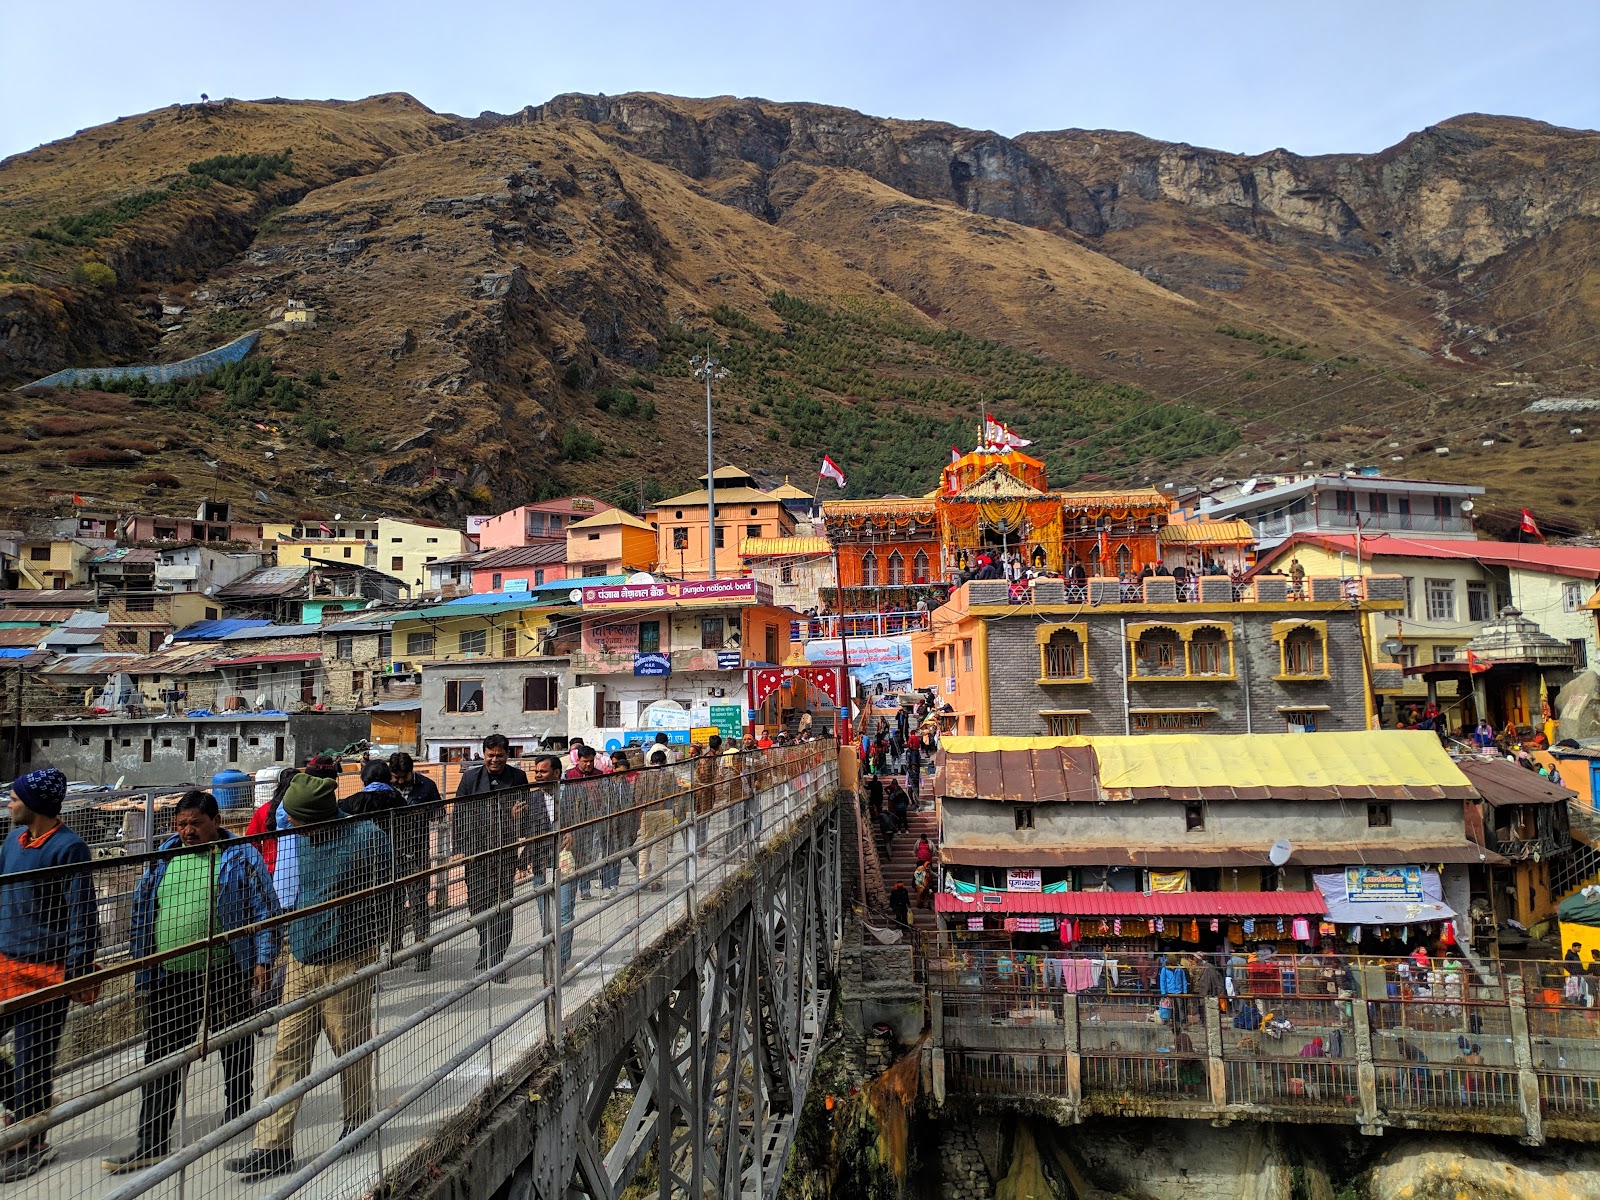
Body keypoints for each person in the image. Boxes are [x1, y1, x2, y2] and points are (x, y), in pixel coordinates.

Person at [225, 773, 392, 1181]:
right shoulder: (298, 835)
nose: (291, 827)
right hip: (301, 956)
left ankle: (357, 1122)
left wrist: (364, 942)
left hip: (347, 958)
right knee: (287, 1050)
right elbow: (289, 888)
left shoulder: (368, 837)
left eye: (296, 821)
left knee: (349, 1047)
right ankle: (272, 1147)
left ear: (318, 817)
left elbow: (386, 894)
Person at [108, 791, 280, 1173]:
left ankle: (237, 1110)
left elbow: (265, 909)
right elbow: (142, 908)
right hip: (171, 974)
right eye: (181, 824)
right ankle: (150, 1141)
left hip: (226, 968)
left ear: (216, 821)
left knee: (234, 1043)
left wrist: (263, 959)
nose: (187, 831)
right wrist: (141, 964)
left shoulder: (241, 855)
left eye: (195, 824)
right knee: (162, 1057)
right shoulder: (163, 858)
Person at [0, 768, 100, 1181]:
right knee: (26, 1068)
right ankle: (23, 1106)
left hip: (45, 971)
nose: (9, 803)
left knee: (34, 1057)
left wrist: (77, 969)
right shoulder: (11, 841)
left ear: (35, 804)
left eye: (14, 797)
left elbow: (83, 914)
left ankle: (32, 1137)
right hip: (5, 963)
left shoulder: (68, 848)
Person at [453, 734, 529, 973]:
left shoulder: (518, 777)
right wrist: (459, 849)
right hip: (476, 851)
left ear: (508, 755)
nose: (495, 760)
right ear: (483, 754)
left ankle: (496, 960)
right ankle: (486, 947)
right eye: (491, 755)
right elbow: (459, 814)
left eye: (500, 755)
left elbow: (527, 815)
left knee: (502, 905)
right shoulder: (470, 778)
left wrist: (519, 817)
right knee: (476, 903)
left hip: (504, 852)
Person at [388, 753, 444, 970]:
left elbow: (439, 812)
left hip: (417, 853)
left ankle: (423, 954)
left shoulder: (426, 786)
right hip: (391, 853)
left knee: (419, 903)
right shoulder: (384, 787)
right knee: (393, 904)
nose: (400, 781)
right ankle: (394, 951)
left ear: (412, 771)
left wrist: (425, 813)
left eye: (404, 777)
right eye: (396, 777)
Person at [564, 744, 610, 892]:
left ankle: (585, 888)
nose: (588, 764)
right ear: (578, 760)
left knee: (589, 855)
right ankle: (573, 887)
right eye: (585, 761)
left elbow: (605, 796)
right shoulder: (569, 775)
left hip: (593, 821)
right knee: (575, 855)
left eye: (591, 761)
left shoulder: (599, 775)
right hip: (574, 822)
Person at [557, 834, 579, 969]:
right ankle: (550, 960)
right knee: (547, 920)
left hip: (567, 867)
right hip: (543, 868)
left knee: (565, 916)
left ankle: (560, 962)